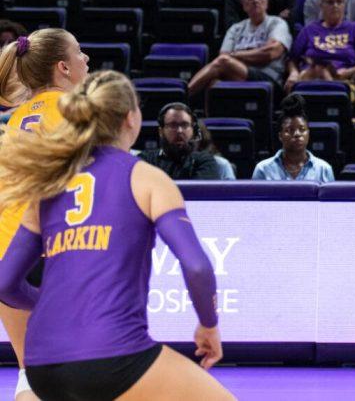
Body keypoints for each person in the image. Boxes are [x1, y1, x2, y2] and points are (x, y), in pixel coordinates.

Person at [0, 71, 231, 401]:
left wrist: (50, 304)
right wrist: (208, 326)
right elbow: (196, 267)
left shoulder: (48, 184)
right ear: (131, 118)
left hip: (42, 363)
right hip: (112, 357)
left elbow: (4, 283)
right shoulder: (146, 178)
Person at [0, 28, 90, 397]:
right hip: (49, 250)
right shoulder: (78, 111)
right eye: (80, 52)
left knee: (31, 375)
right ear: (63, 68)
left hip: (7, 251)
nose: (87, 59)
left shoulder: (15, 119)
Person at [187, 0, 291, 96]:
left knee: (223, 62)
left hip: (268, 78)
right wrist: (251, 56)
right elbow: (224, 55)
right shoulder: (236, 28)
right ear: (243, 5)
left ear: (266, 2)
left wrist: (235, 55)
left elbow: (270, 53)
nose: (255, 0)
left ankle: (183, 95)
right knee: (214, 83)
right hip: (238, 73)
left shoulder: (277, 23)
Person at [286, 0, 355, 92]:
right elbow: (292, 59)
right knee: (317, 70)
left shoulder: (354, 29)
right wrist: (293, 73)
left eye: (339, 2)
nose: (335, 6)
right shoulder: (309, 30)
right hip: (310, 77)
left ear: (344, 5)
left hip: (342, 80)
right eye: (330, 2)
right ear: (321, 5)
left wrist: (348, 72)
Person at [252, 94, 335, 183]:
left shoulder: (324, 169)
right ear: (280, 136)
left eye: (302, 129)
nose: (297, 134)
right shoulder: (263, 169)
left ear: (308, 134)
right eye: (290, 130)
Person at [137, 103, 223, 180]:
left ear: (192, 130)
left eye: (185, 125)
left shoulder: (204, 161)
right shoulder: (145, 160)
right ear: (161, 131)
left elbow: (201, 193)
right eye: (173, 125)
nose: (179, 131)